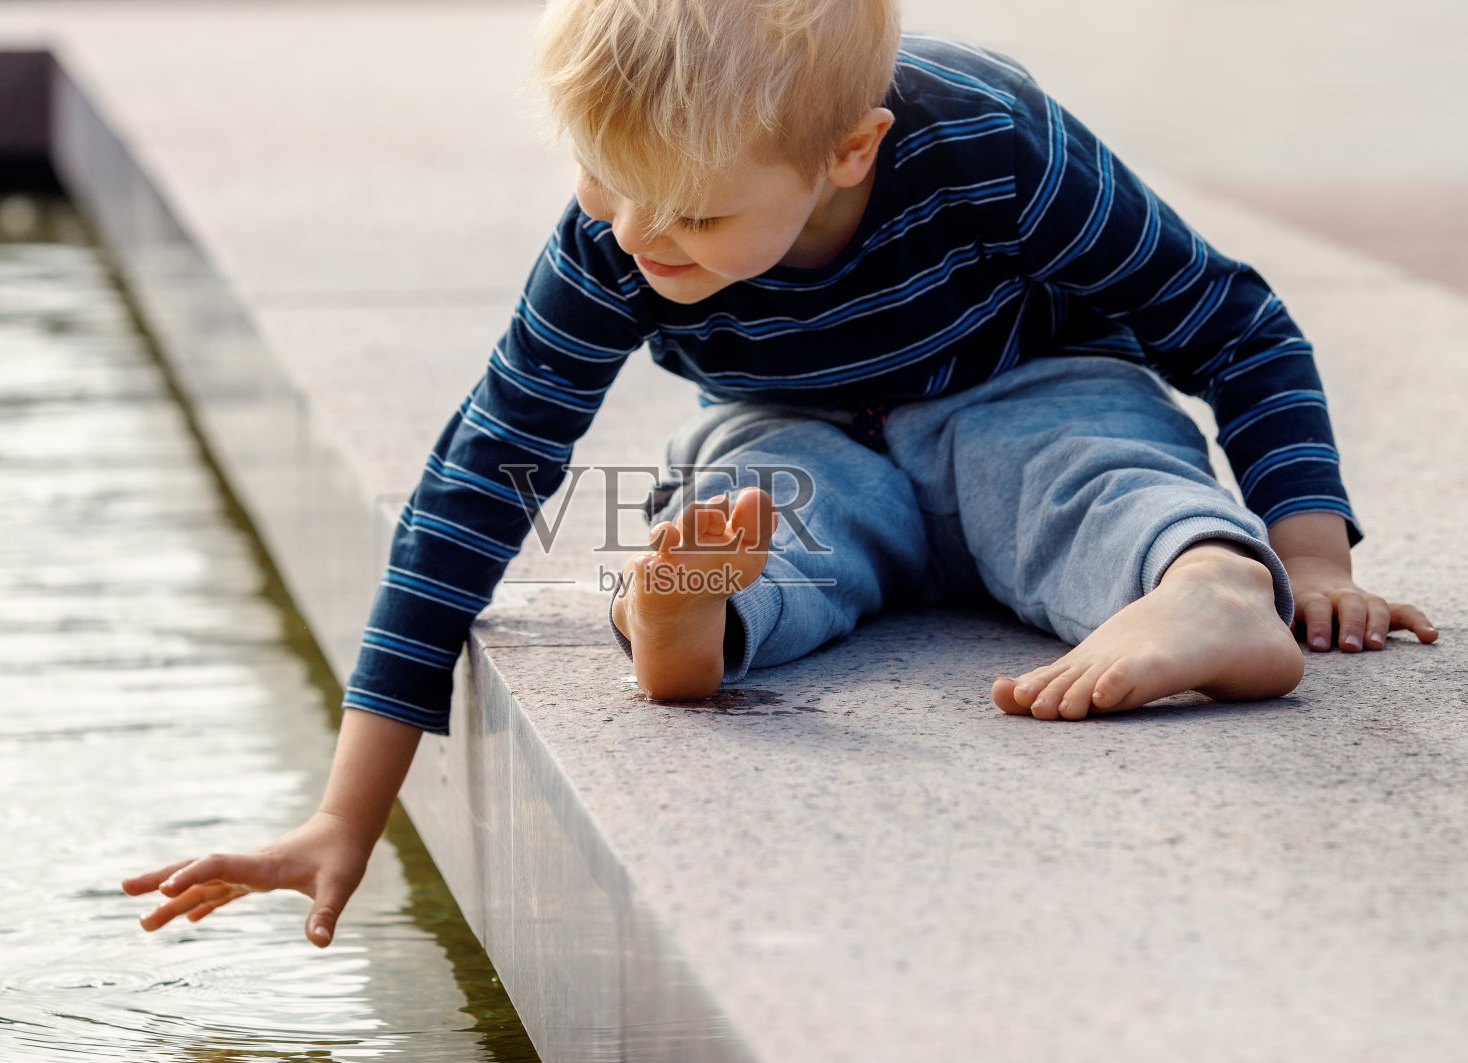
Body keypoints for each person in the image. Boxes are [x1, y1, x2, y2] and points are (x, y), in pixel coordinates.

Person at [124, 0, 1438, 945]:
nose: (638, 237)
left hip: (1019, 387)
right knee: (762, 506)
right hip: (795, 426)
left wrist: (1310, 549)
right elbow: (484, 475)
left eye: (694, 215)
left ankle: (1208, 586)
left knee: (1086, 467)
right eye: (603, 184)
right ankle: (689, 622)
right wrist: (344, 813)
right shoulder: (625, 222)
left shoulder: (986, 136)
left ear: (847, 153)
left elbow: (1222, 317)